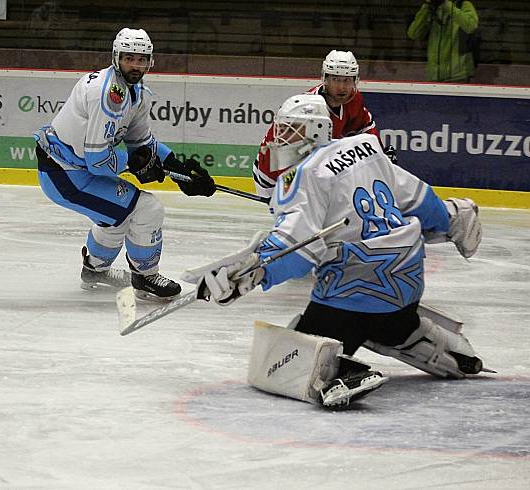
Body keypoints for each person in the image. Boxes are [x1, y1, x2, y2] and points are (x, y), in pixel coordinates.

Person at [186, 94, 485, 409]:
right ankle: (442, 347)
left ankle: (340, 373)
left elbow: (296, 249)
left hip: (355, 288)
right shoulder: (367, 149)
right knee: (388, 323)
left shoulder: (302, 173)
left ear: (315, 130)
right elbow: (419, 200)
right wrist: (450, 218)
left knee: (278, 363)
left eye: (290, 130)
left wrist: (247, 276)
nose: (280, 138)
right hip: (407, 280)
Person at [33, 28, 216, 301]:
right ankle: (145, 276)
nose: (136, 66)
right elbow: (97, 160)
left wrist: (177, 168)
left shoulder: (136, 92)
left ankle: (95, 269)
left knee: (118, 215)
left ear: (150, 61)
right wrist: (136, 163)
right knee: (147, 208)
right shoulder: (107, 93)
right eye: (130, 58)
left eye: (141, 60)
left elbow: (140, 140)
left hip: (73, 170)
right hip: (65, 175)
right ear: (116, 57)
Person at [252, 50, 394, 203]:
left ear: (355, 80)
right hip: (274, 177)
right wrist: (283, 190)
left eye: (347, 80)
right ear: (325, 79)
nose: (341, 87)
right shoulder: (309, 110)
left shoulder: (354, 100)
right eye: (335, 79)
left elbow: (366, 130)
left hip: (308, 174)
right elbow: (283, 156)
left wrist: (379, 155)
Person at [408, 0, 480, 83]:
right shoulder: (432, 8)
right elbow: (413, 34)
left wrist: (447, 5)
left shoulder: (463, 4)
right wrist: (426, 7)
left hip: (458, 76)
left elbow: (471, 26)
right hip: (434, 76)